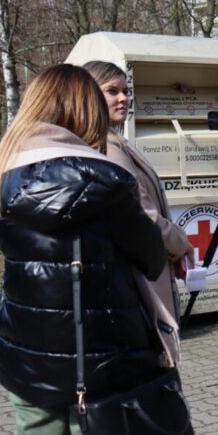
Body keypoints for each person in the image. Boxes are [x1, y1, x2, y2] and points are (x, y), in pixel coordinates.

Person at [0, 64, 167, 435]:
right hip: (99, 356)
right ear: (85, 110)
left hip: (24, 351)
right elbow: (151, 256)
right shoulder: (108, 180)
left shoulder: (1, 171)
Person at [84, 60, 194, 366]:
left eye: (126, 91)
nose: (123, 98)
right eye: (112, 91)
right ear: (89, 95)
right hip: (140, 277)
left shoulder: (113, 140)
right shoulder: (106, 146)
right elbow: (142, 212)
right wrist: (181, 245)